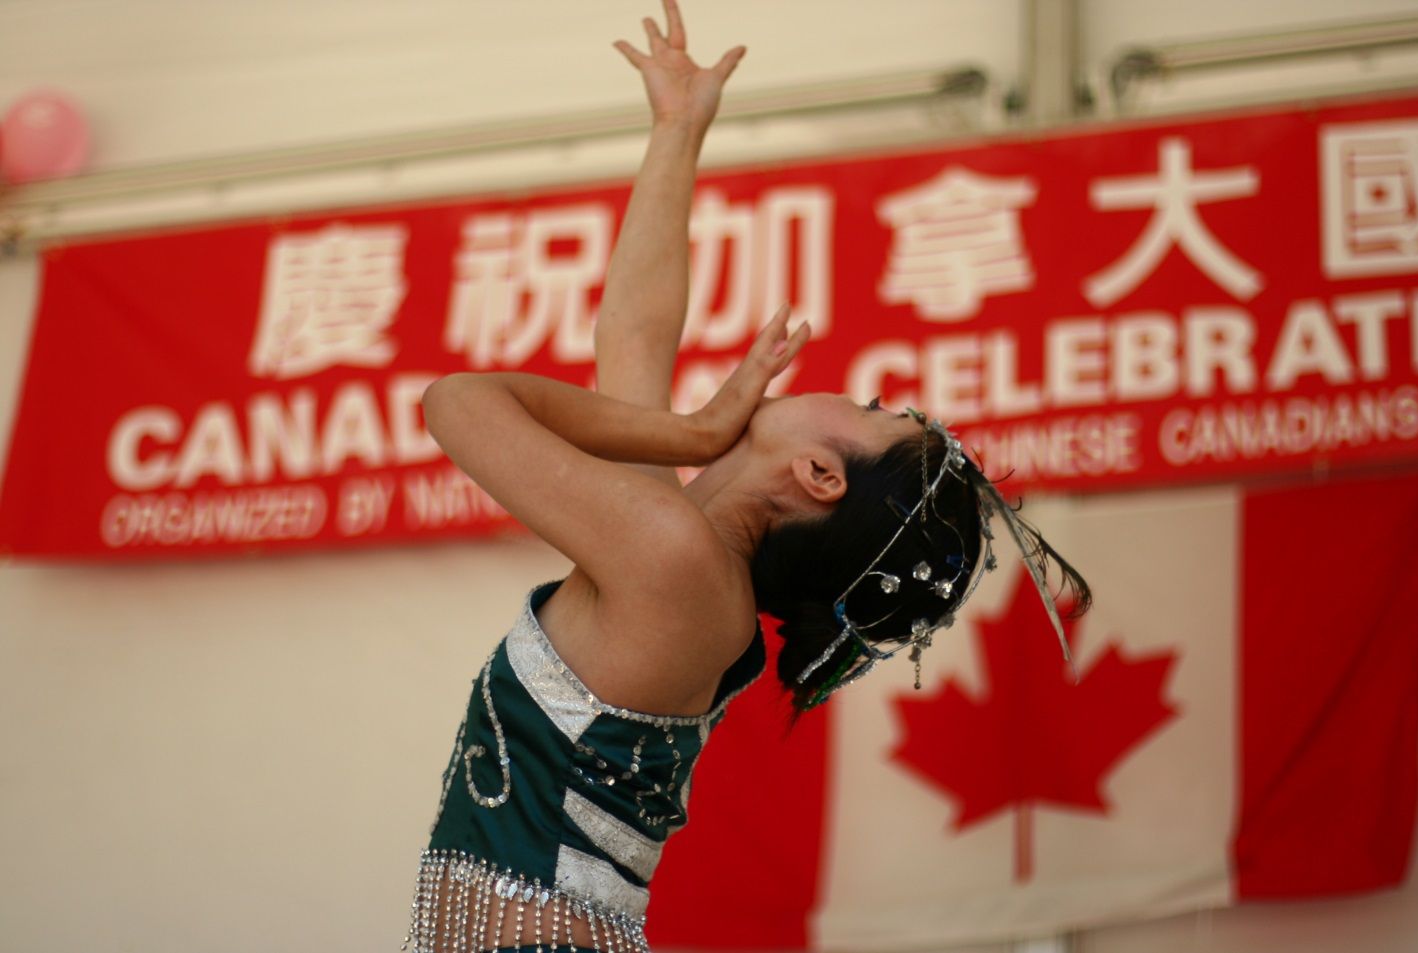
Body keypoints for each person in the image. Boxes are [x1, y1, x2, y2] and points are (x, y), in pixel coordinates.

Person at [401, 3, 1088, 951]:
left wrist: (690, 425)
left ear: (816, 474)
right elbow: (633, 337)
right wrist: (678, 129)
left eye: (873, 414)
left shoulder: (676, 560)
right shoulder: (671, 544)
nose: (853, 390)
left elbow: (457, 403)